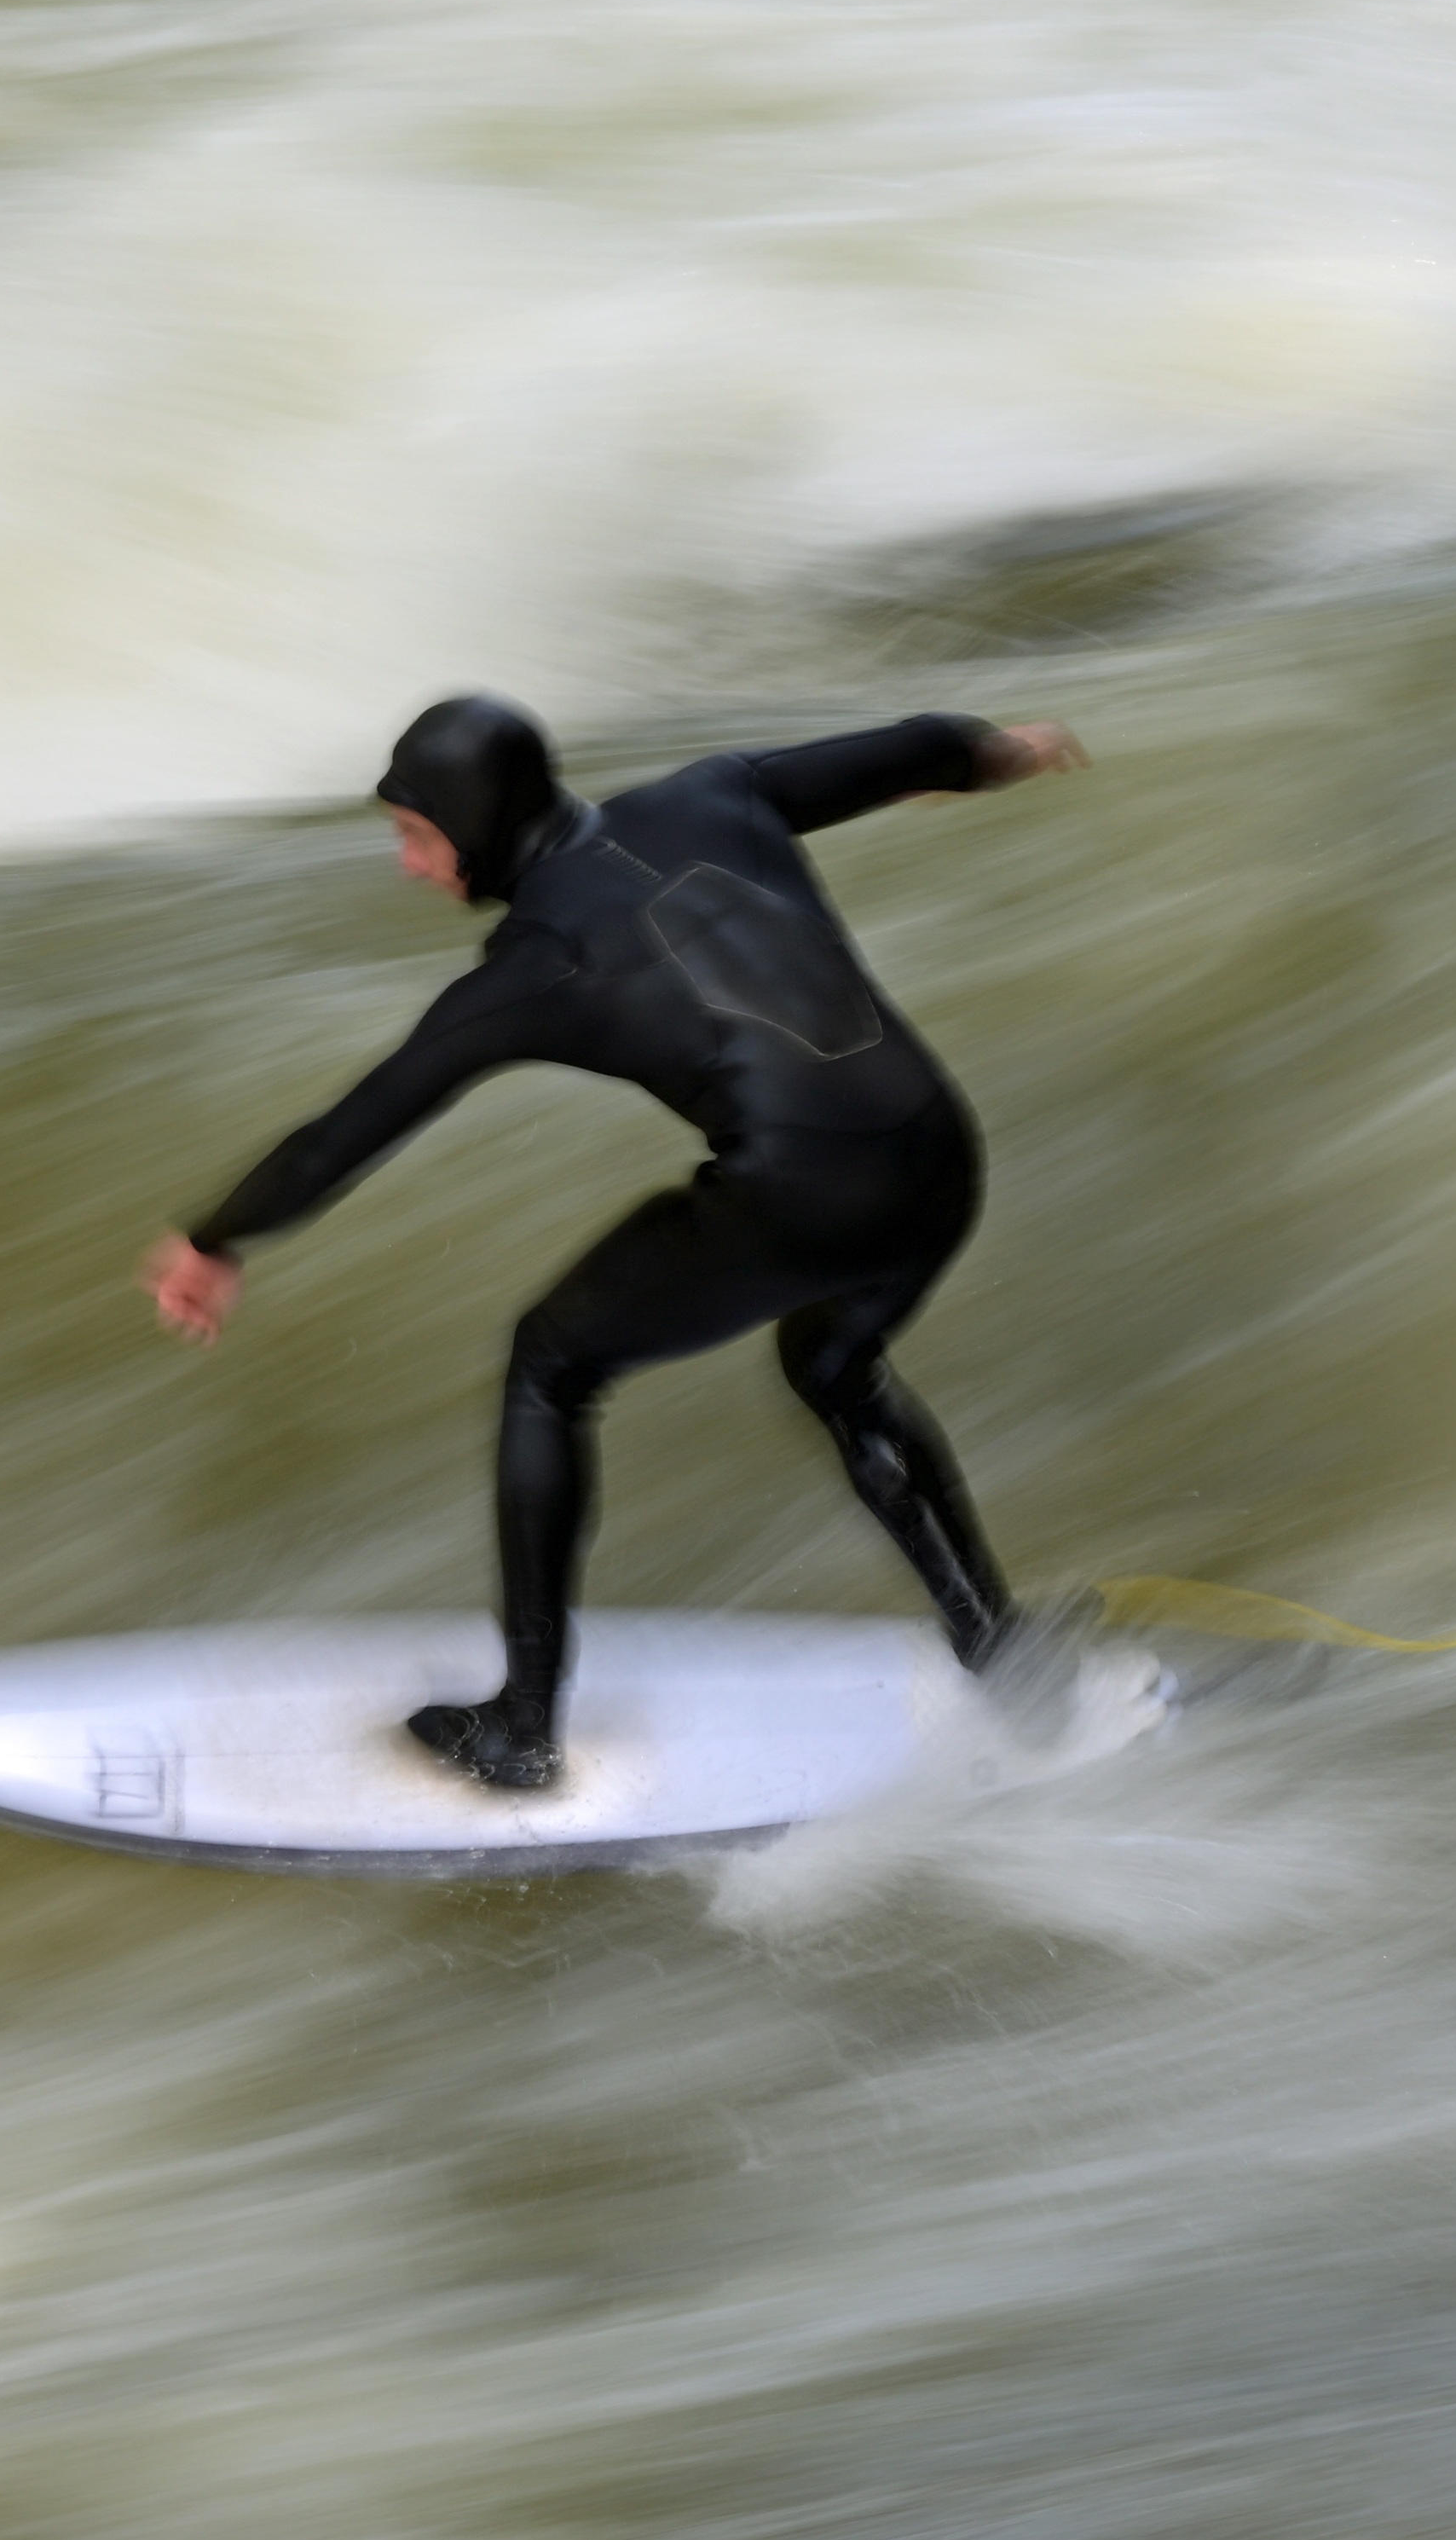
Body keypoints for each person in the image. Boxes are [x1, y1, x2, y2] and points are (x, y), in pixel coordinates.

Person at [143, 694, 1091, 1790]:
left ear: (475, 824)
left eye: (414, 834)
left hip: (807, 1192)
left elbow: (345, 1132)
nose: (406, 865)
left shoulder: (533, 968)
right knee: (832, 1366)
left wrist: (212, 1241)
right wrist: (995, 754)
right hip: (935, 1153)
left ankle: (522, 1728)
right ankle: (999, 1649)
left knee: (549, 1362)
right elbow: (910, 749)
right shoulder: (709, 795)